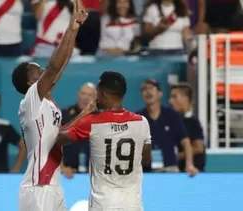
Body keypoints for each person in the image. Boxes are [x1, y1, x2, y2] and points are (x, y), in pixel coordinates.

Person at [13, 1, 88, 210]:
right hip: (38, 185)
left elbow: (61, 64)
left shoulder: (47, 101)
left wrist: (75, 28)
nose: (42, 68)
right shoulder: (31, 99)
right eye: (37, 69)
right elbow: (54, 66)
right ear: (30, 82)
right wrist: (70, 27)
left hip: (53, 184)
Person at [56, 71, 152, 211]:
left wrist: (84, 112)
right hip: (133, 203)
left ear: (104, 95)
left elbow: (59, 139)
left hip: (103, 204)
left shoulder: (92, 122)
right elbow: (145, 160)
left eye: (97, 93)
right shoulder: (141, 122)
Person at [137, 79, 198, 175]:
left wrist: (189, 165)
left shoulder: (172, 116)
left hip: (170, 169)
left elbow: (186, 143)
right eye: (144, 89)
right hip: (146, 171)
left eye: (151, 88)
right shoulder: (138, 118)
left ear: (160, 93)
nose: (148, 92)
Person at [61, 82, 97, 178]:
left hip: (94, 173)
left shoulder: (101, 118)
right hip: (67, 173)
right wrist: (61, 167)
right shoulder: (64, 115)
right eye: (83, 93)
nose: (86, 98)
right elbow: (52, 143)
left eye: (90, 95)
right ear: (78, 95)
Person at [169, 83, 205, 172]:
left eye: (174, 97)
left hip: (192, 175)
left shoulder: (192, 122)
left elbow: (199, 148)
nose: (171, 101)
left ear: (185, 99)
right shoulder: (175, 120)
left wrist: (175, 156)